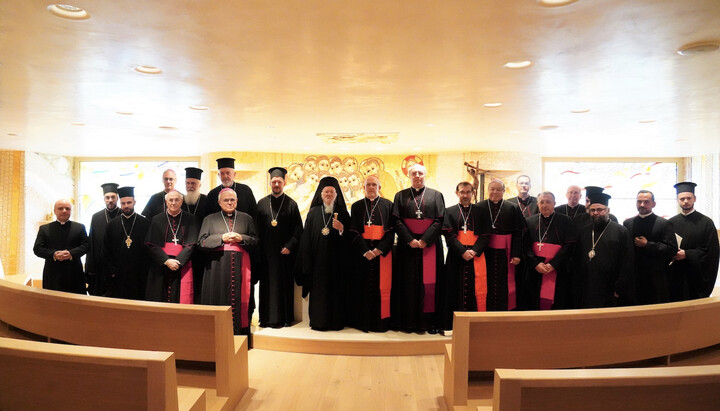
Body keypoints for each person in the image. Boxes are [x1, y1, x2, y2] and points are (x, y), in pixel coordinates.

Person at [391, 163, 445, 333]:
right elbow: (396, 220)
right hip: (407, 248)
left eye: (420, 173)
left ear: (425, 176)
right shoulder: (400, 196)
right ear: (409, 176)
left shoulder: (436, 196)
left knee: (428, 285)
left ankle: (428, 323)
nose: (417, 176)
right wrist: (410, 240)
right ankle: (407, 323)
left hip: (429, 247)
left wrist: (424, 240)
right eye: (414, 173)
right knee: (406, 284)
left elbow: (439, 220)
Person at [198, 188, 258, 336]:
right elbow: (201, 242)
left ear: (237, 201)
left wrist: (241, 238)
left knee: (239, 302)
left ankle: (240, 334)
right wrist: (221, 238)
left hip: (241, 268)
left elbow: (255, 241)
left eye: (232, 200)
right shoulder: (209, 219)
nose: (229, 202)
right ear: (219, 202)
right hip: (216, 268)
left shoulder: (246, 218)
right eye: (226, 200)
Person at [295, 176, 351, 331]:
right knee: (319, 294)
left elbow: (350, 240)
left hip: (337, 264)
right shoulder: (312, 213)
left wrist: (341, 229)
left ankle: (336, 322)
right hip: (317, 264)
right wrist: (307, 264)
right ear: (320, 194)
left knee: (336, 293)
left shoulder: (343, 214)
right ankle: (319, 323)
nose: (328, 195)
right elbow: (306, 240)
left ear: (336, 195)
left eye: (331, 192)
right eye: (326, 192)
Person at [255, 167, 303, 328]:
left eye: (279, 182)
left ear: (284, 182)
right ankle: (266, 319)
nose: (276, 184)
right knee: (267, 288)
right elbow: (256, 230)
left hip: (285, 256)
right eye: (274, 182)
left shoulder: (291, 204)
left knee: (284, 287)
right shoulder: (261, 204)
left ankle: (285, 318)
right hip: (267, 257)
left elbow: (298, 231)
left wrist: (290, 246)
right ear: (270, 183)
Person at [348, 175, 394, 332]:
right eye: (368, 185)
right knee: (362, 288)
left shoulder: (388, 205)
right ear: (364, 187)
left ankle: (380, 324)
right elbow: (353, 231)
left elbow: (391, 232)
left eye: (374, 184)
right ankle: (363, 323)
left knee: (382, 289)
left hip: (381, 254)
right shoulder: (356, 206)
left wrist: (378, 250)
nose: (371, 187)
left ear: (379, 187)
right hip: (362, 255)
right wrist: (365, 251)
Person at [574, 192, 635, 308]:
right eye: (592, 210)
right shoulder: (583, 231)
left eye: (600, 210)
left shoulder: (621, 231)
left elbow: (627, 262)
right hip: (587, 287)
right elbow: (577, 259)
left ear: (608, 210)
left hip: (610, 288)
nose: (596, 213)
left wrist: (619, 288)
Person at [442, 182, 487, 329]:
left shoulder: (481, 211)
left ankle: (475, 324)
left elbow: (486, 236)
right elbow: (449, 236)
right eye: (462, 192)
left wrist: (473, 251)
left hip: (476, 257)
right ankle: (452, 325)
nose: (465, 195)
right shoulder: (449, 211)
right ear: (457, 193)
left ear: (473, 193)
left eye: (468, 192)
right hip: (456, 257)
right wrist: (462, 251)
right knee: (453, 289)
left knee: (475, 289)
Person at [474, 179, 524, 311]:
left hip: (505, 253)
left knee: (503, 282)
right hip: (485, 252)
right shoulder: (479, 207)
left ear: (503, 191)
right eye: (492, 189)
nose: (494, 192)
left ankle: (503, 311)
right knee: (486, 281)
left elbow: (519, 233)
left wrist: (516, 254)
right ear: (488, 190)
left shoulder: (512, 207)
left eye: (498, 189)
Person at [622, 190, 677, 305]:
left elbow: (672, 249)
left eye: (646, 202)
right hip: (634, 276)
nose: (642, 205)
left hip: (655, 277)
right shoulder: (628, 223)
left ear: (653, 204)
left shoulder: (664, 223)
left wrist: (648, 245)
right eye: (639, 202)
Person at [523, 192, 576, 310]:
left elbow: (569, 247)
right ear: (537, 204)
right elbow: (525, 246)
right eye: (541, 202)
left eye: (548, 202)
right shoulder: (529, 221)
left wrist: (553, 265)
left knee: (557, 303)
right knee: (533, 302)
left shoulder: (565, 221)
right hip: (535, 270)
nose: (545, 205)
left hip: (557, 269)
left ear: (554, 204)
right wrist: (535, 263)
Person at [668, 182, 720, 301]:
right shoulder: (670, 223)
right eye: (682, 198)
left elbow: (711, 252)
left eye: (689, 198)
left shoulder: (706, 223)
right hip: (676, 275)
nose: (685, 201)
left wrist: (687, 254)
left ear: (694, 199)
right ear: (677, 200)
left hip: (696, 276)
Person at [144, 190, 197, 303]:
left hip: (181, 265)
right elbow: (150, 244)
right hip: (161, 265)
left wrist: (178, 261)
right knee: (159, 295)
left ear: (182, 201)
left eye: (177, 200)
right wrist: (166, 261)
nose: (173, 202)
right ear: (166, 201)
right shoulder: (157, 219)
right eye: (170, 200)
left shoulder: (190, 219)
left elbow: (191, 244)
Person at [103, 186, 152, 300]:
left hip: (139, 274)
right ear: (120, 203)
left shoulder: (145, 223)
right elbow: (106, 250)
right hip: (118, 274)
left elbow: (149, 249)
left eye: (129, 202)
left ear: (134, 202)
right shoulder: (112, 225)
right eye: (123, 203)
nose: (126, 206)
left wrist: (146, 271)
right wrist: (112, 271)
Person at [33, 199, 89, 294]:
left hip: (74, 273)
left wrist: (71, 253)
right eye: (60, 208)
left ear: (71, 211)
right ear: (54, 211)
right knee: (53, 304)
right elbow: (37, 249)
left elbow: (86, 246)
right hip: (53, 274)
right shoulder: (45, 229)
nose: (64, 211)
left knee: (76, 305)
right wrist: (54, 254)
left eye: (67, 208)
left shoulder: (79, 227)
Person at [85, 183, 121, 296]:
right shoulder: (96, 217)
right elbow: (91, 242)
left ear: (117, 198)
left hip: (119, 267)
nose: (110, 200)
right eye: (107, 197)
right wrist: (89, 269)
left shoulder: (123, 215)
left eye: (113, 197)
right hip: (100, 268)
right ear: (104, 199)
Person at [181, 166, 208, 303]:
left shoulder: (207, 200)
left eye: (193, 183)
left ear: (199, 184)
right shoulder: (179, 201)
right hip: (183, 249)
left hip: (201, 249)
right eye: (188, 183)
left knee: (200, 281)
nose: (190, 186)